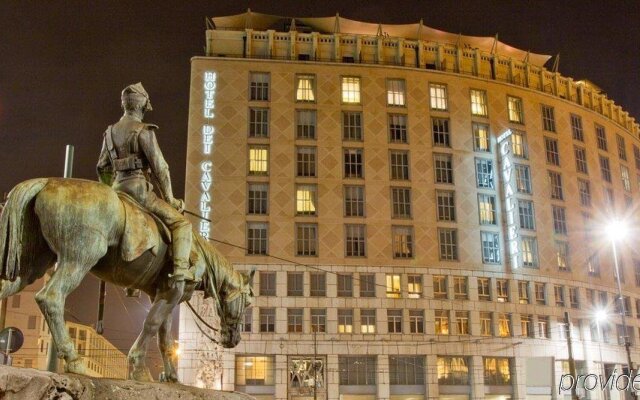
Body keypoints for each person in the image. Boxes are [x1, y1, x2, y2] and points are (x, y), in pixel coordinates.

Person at [97, 83, 193, 286]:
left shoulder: (109, 133)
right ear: (141, 107)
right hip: (139, 193)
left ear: (124, 105)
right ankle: (181, 270)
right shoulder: (143, 131)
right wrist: (171, 199)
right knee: (182, 224)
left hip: (116, 191)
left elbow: (102, 167)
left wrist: (108, 193)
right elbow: (161, 168)